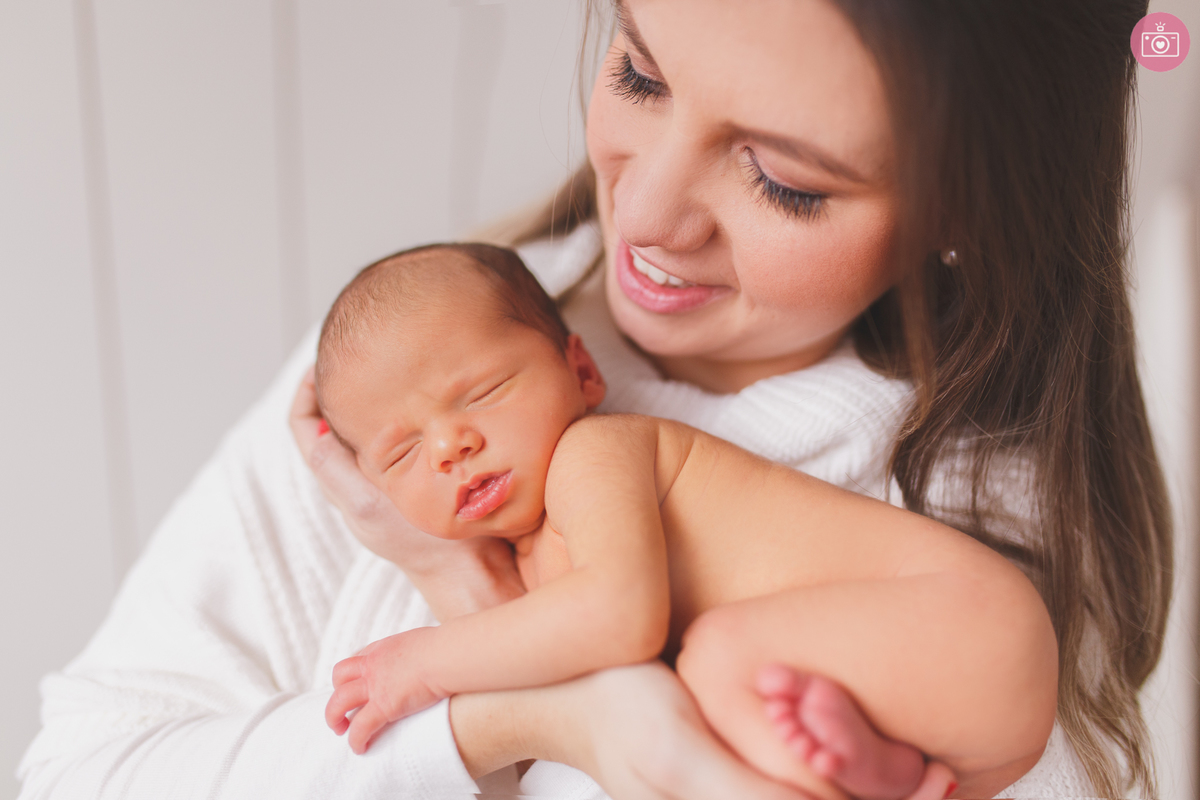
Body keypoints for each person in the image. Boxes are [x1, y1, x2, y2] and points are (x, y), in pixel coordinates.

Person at [17, 1, 1170, 799]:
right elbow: (74, 775)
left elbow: (620, 618)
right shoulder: (407, 369)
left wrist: (454, 651)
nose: (651, 217)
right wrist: (524, 712)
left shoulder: (986, 514)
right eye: (640, 74)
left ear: (968, 208)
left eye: (784, 180)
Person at [313, 241, 1057, 800]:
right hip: (933, 714)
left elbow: (618, 616)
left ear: (581, 371)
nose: (451, 446)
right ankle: (881, 776)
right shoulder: (534, 579)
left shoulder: (597, 452)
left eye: (483, 392)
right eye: (403, 451)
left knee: (717, 657)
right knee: (730, 680)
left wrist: (427, 663)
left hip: (963, 615)